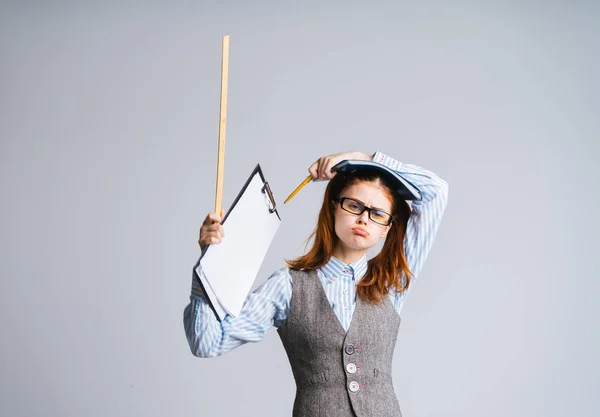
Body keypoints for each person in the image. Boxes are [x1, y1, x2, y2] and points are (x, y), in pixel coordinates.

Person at [183, 150, 449, 417]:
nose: (364, 218)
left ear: (387, 227)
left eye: (377, 213)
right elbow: (207, 342)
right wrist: (210, 261)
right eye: (354, 205)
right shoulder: (286, 287)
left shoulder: (392, 281)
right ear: (333, 206)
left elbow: (437, 191)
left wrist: (359, 158)